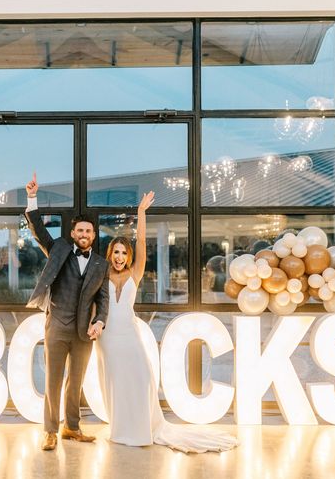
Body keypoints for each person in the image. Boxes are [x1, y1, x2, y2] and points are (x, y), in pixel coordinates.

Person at [96, 191, 238, 453]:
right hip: (107, 339)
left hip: (129, 335)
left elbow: (140, 240)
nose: (119, 257)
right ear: (109, 254)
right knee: (116, 383)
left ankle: (142, 429)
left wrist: (141, 213)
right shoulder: (100, 275)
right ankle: (121, 430)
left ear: (128, 256)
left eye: (123, 253)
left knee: (142, 379)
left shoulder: (135, 273)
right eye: (115, 252)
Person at [24, 173, 110, 451]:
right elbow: (38, 230)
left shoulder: (100, 264)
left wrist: (100, 321)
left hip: (84, 331)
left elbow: (104, 299)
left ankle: (71, 427)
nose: (84, 235)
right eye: (80, 231)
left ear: (93, 236)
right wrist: (32, 198)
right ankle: (49, 430)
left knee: (76, 383)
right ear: (73, 234)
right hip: (57, 326)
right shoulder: (59, 248)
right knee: (52, 380)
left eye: (88, 231)